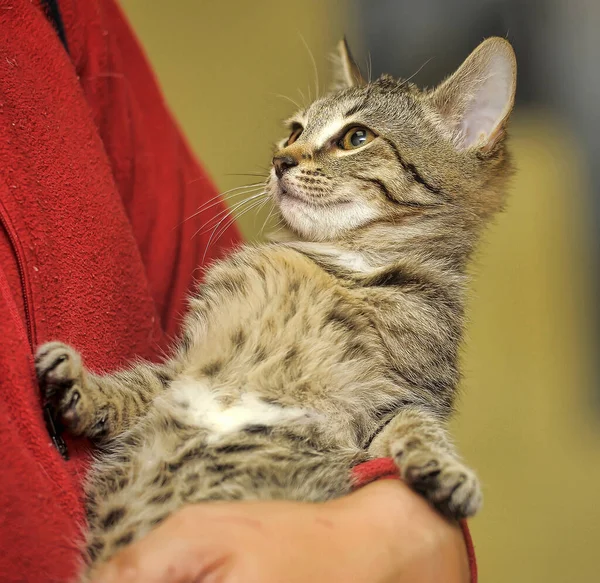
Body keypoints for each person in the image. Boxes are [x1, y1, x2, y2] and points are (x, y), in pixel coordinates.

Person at [0, 1, 476, 581]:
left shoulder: (415, 311)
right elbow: (184, 381)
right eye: (297, 134)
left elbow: (393, 416)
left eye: (352, 138)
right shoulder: (253, 274)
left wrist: (418, 508)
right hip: (133, 518)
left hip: (272, 493)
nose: (289, 157)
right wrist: (102, 402)